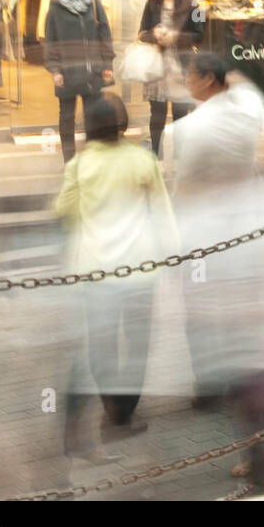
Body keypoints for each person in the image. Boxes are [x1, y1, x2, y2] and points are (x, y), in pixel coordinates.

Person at [56, 94, 177, 459]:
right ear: (123, 124)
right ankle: (123, 412)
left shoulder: (79, 164)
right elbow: (162, 211)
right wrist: (174, 253)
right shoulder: (143, 159)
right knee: (138, 342)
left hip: (95, 270)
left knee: (101, 343)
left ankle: (109, 403)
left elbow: (64, 209)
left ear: (88, 127)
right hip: (140, 267)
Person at [164, 51, 264, 410]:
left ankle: (208, 386)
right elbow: (244, 84)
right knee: (238, 309)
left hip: (199, 236)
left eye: (191, 75)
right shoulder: (248, 108)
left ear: (208, 80)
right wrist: (225, 67)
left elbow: (180, 191)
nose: (186, 81)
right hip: (243, 228)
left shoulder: (182, 131)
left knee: (198, 314)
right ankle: (241, 378)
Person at [43, 0, 114, 162]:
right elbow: (50, 40)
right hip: (67, 72)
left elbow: (104, 35)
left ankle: (93, 158)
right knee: (67, 118)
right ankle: (69, 162)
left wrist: (107, 65)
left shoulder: (93, 3)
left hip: (93, 71)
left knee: (94, 117)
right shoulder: (55, 7)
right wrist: (55, 69)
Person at [137, 0, 201, 156]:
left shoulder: (195, 5)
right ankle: (156, 156)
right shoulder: (151, 4)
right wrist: (154, 35)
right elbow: (141, 33)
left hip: (181, 67)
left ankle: (179, 157)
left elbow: (201, 35)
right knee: (157, 115)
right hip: (157, 67)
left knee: (181, 115)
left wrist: (175, 36)